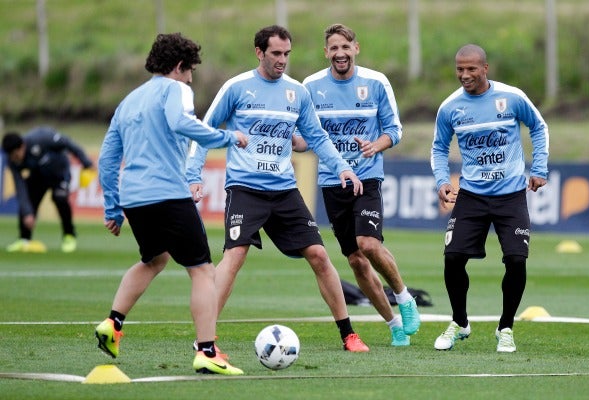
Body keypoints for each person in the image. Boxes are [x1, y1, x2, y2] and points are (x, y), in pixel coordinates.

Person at [186, 25, 369, 353]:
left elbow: (316, 137)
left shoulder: (297, 92)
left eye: (287, 53)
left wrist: (342, 166)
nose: (282, 60)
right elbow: (205, 129)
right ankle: (205, 340)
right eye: (276, 54)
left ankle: (349, 335)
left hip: (284, 190)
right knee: (234, 256)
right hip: (245, 188)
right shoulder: (237, 88)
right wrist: (192, 175)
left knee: (319, 255)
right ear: (259, 52)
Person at [94, 32, 248, 375]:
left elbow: (107, 158)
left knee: (154, 259)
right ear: (179, 66)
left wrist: (112, 207)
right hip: (166, 193)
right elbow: (181, 122)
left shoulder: (129, 100)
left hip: (135, 199)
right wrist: (227, 137)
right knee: (203, 271)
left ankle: (113, 323)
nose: (191, 77)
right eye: (190, 70)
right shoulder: (176, 89)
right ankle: (207, 351)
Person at [295, 23, 420, 346]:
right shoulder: (310, 86)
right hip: (331, 182)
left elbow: (395, 129)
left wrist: (375, 145)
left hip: (367, 177)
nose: (340, 53)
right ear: (326, 53)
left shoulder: (376, 82)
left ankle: (404, 298)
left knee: (368, 243)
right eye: (333, 48)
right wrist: (288, 141)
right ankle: (393, 324)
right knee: (355, 260)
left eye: (345, 47)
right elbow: (306, 134)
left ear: (356, 48)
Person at [430, 44, 549, 353]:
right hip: (471, 195)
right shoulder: (450, 107)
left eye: (471, 69)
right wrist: (443, 180)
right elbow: (439, 147)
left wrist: (539, 167)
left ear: (485, 68)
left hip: (510, 195)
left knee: (516, 260)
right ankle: (460, 322)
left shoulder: (511, 97)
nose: (465, 75)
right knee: (453, 257)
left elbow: (538, 126)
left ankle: (505, 327)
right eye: (459, 69)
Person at [2, 127, 94, 253]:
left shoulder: (41, 138)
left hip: (60, 173)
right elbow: (20, 186)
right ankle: (24, 239)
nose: (15, 159)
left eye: (16, 155)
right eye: (11, 157)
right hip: (39, 176)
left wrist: (87, 163)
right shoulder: (12, 161)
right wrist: (28, 212)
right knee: (28, 199)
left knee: (60, 198)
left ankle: (69, 235)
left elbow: (68, 143)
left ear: (22, 147)